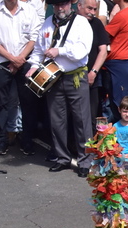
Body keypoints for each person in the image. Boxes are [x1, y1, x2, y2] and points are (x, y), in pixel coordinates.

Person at [27, 0, 94, 176]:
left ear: (70, 5)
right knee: (57, 121)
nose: (59, 8)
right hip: (53, 77)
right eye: (56, 5)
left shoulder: (81, 22)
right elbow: (38, 50)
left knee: (81, 121)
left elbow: (83, 50)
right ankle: (62, 158)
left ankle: (85, 161)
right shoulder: (48, 23)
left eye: (62, 4)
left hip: (75, 76)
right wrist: (33, 66)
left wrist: (60, 51)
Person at [0, 0, 40, 156]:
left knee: (28, 102)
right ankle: (1, 141)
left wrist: (19, 59)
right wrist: (11, 58)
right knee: (1, 103)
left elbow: (34, 37)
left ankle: (27, 140)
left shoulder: (29, 10)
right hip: (1, 61)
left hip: (25, 61)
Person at [104, 0, 128, 114]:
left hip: (116, 65)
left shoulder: (122, 15)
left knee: (116, 108)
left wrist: (110, 18)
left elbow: (103, 36)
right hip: (123, 64)